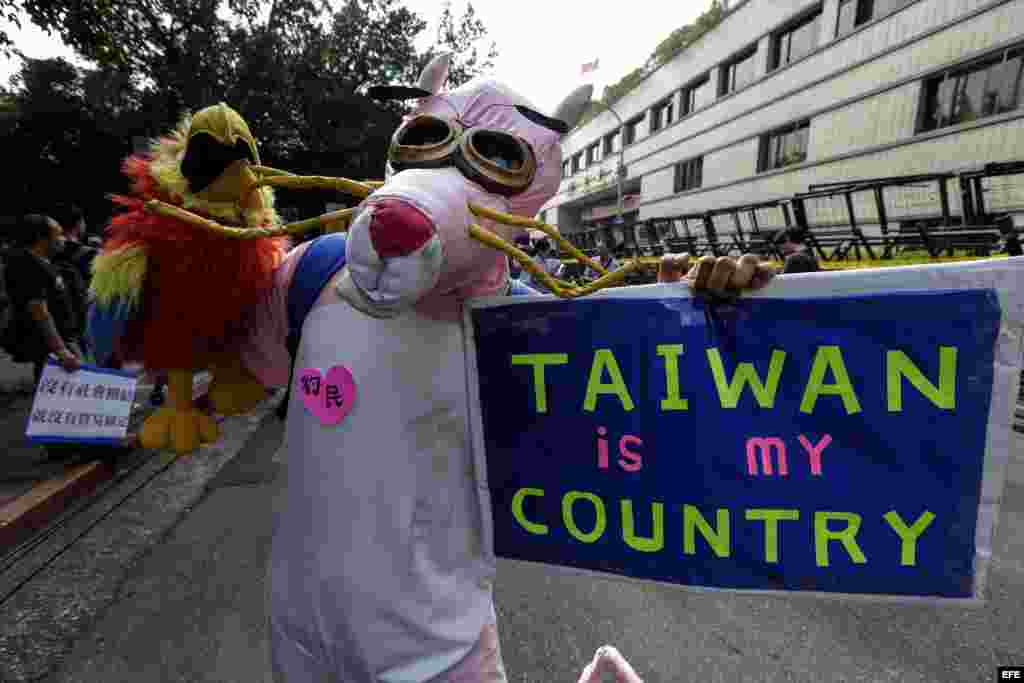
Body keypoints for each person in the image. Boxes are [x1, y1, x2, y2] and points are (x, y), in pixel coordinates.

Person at [2, 214, 83, 385]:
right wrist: (61, 350)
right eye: (58, 234)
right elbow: (39, 310)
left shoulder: (44, 261)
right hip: (53, 347)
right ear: (41, 238)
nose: (63, 239)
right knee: (68, 397)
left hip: (62, 339)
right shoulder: (26, 264)